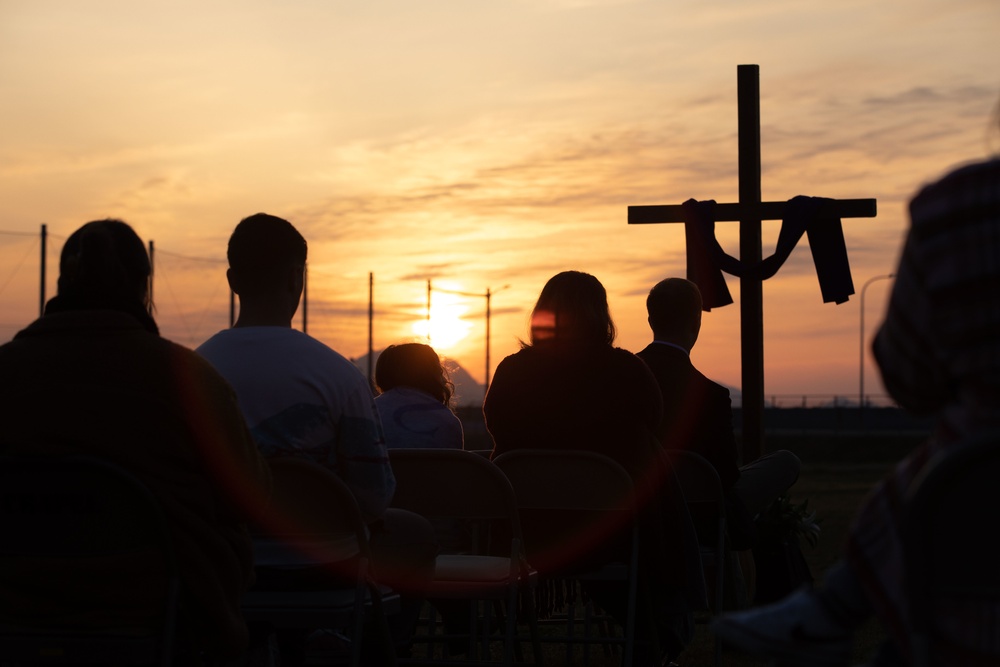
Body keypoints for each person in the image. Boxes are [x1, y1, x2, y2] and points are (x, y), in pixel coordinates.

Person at [711, 155, 1000, 666]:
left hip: (973, 479)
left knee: (939, 471)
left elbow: (908, 376)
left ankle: (837, 608)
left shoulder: (961, 207)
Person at [0, 219, 272, 663]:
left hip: (13, 600)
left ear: (61, 284)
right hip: (155, 604)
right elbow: (250, 500)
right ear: (145, 288)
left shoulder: (6, 373)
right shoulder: (187, 381)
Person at [196, 213, 436, 663]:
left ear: (232, 279)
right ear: (296, 278)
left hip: (224, 569)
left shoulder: (193, 372)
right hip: (322, 570)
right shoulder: (338, 375)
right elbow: (374, 497)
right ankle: (379, 647)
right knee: (416, 533)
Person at [484, 270, 707, 665]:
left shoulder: (511, 372)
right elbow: (653, 420)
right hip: (612, 534)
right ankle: (660, 627)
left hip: (526, 535)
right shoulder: (625, 370)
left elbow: (496, 426)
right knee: (650, 458)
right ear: (600, 315)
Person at [638, 277, 801, 552]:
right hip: (697, 511)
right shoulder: (710, 395)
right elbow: (726, 475)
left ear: (651, 320)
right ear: (695, 324)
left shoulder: (625, 377)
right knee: (786, 463)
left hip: (636, 506)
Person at [375, 342, 464, 450]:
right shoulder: (448, 421)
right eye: (439, 372)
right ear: (430, 376)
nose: (445, 380)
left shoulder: (369, 412)